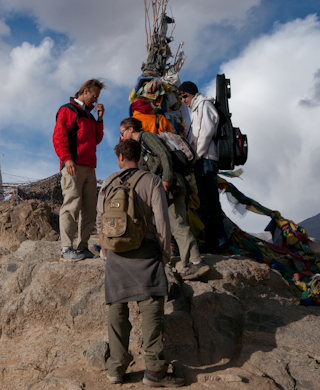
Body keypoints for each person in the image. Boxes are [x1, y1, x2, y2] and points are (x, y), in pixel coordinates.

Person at [97, 140, 185, 387]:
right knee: (151, 311)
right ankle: (155, 371)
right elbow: (162, 220)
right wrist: (165, 253)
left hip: (115, 255)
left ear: (119, 158)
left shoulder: (108, 183)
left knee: (116, 309)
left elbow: (99, 219)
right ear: (139, 156)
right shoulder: (152, 181)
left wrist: (106, 252)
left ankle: (116, 368)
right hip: (145, 252)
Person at [119, 118, 210, 280]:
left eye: (122, 132)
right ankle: (184, 260)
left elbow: (164, 155)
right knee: (168, 223)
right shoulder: (141, 146)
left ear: (131, 129)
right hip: (167, 187)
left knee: (177, 223)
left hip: (172, 186)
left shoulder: (147, 138)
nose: (122, 136)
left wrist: (166, 179)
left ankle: (196, 263)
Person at [53, 79, 106, 262]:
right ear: (85, 91)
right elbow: (59, 136)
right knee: (71, 205)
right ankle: (66, 249)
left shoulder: (90, 116)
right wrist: (66, 158)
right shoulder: (68, 109)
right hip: (73, 164)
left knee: (89, 209)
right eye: (94, 95)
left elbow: (97, 140)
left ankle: (83, 247)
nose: (96, 99)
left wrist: (100, 119)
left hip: (90, 166)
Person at [178, 81, 229, 253]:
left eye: (185, 95)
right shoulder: (196, 109)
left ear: (192, 93)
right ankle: (213, 241)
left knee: (210, 202)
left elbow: (207, 132)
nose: (183, 100)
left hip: (206, 158)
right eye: (180, 97)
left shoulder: (204, 105)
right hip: (201, 159)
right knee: (206, 202)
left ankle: (219, 243)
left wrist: (197, 154)